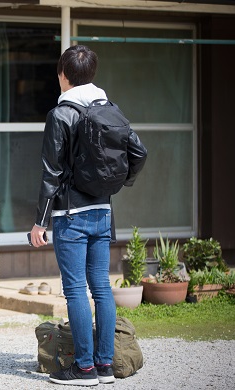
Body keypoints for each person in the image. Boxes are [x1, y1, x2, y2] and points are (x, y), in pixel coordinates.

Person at [29, 45, 147, 386]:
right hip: (103, 211)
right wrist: (118, 183)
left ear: (64, 75)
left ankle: (83, 369)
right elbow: (139, 152)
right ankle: (105, 366)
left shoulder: (60, 114)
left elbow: (51, 173)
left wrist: (41, 222)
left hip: (72, 215)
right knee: (101, 287)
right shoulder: (109, 108)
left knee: (76, 290)